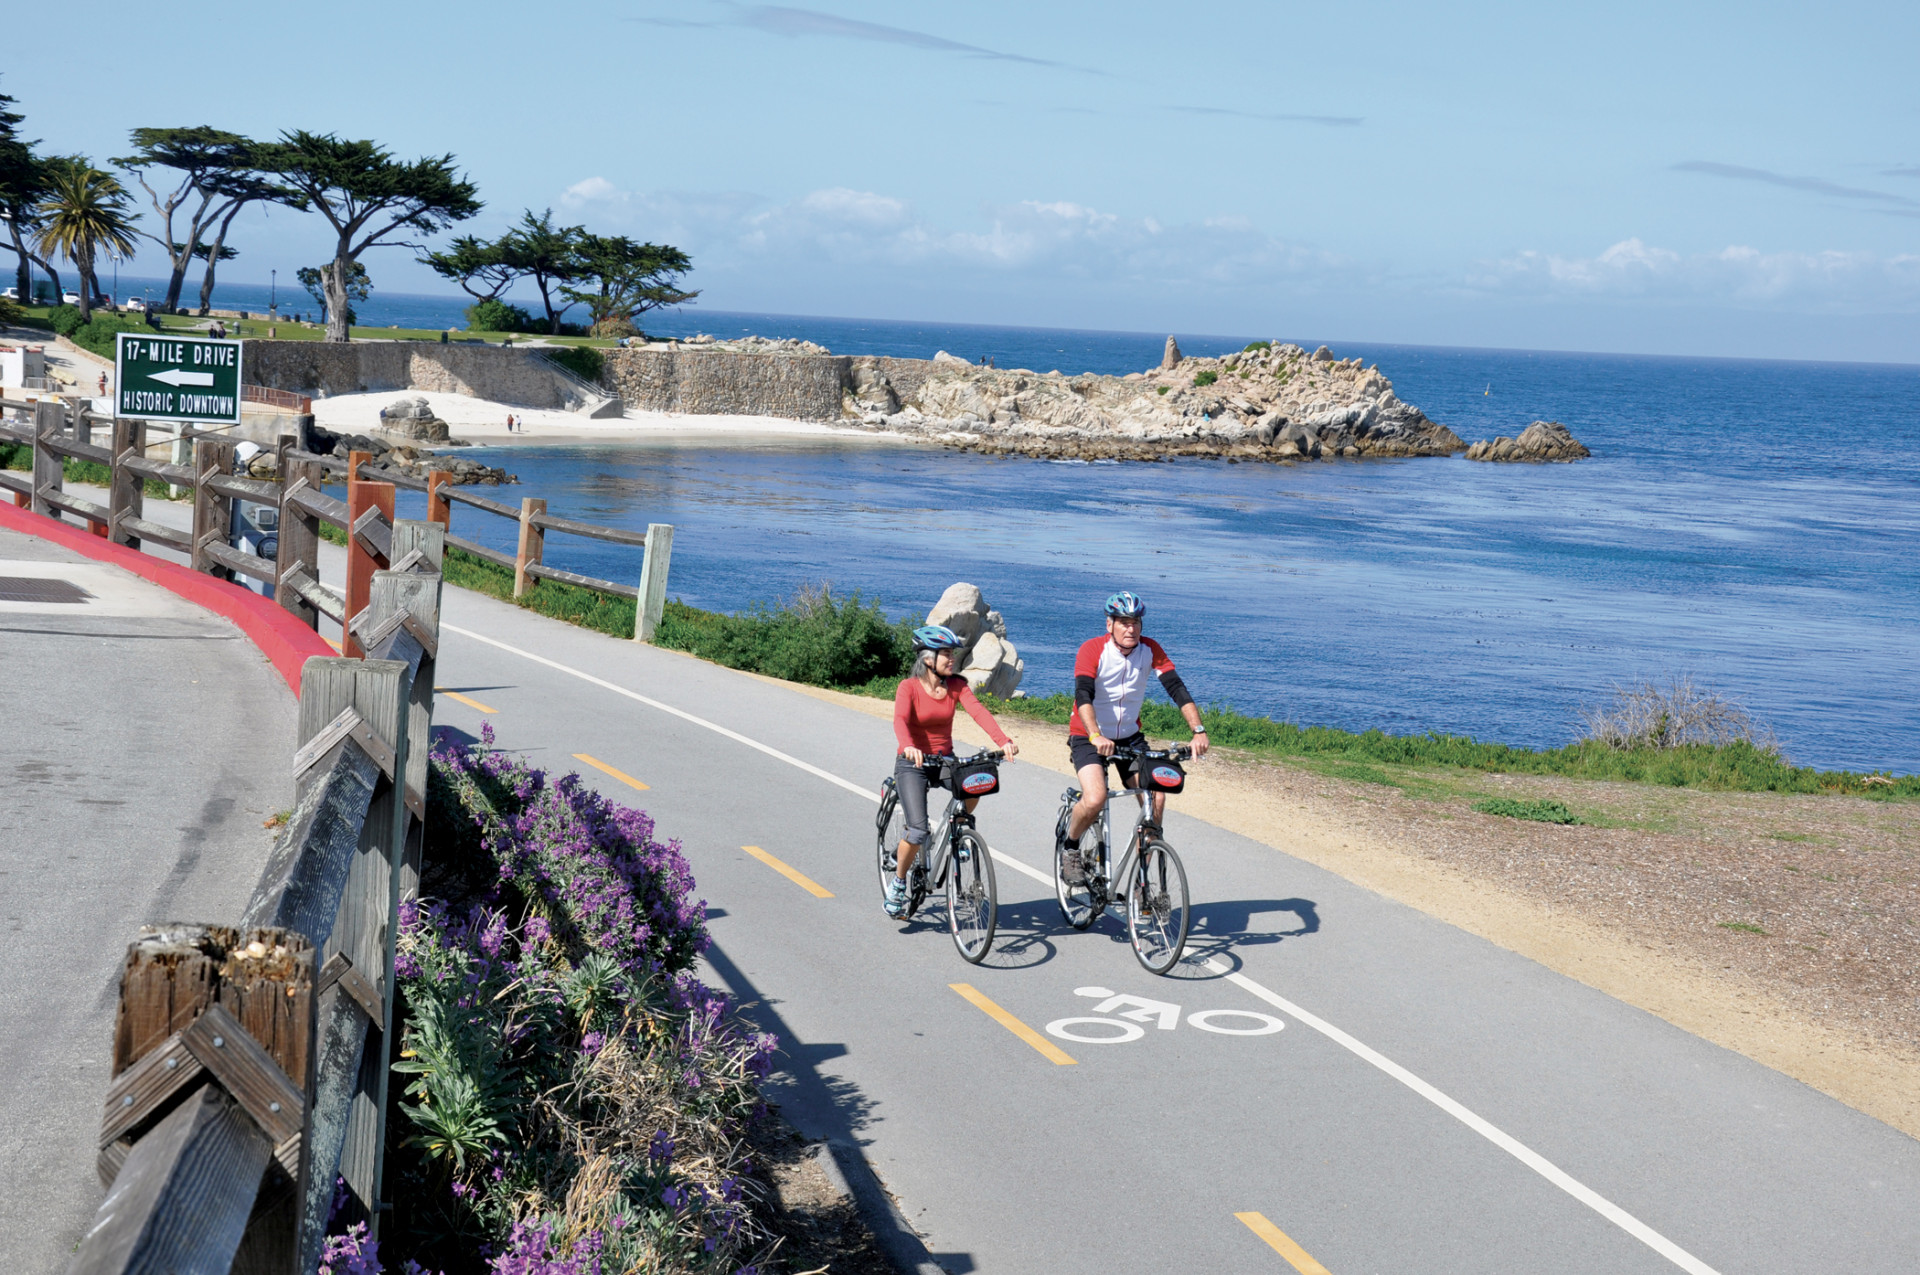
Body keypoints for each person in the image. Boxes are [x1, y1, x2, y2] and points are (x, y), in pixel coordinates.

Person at [1060, 591, 1208, 883]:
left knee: (1156, 799)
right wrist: (1094, 735)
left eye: (1136, 622)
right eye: (1124, 623)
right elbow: (1083, 695)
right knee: (1095, 798)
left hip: (1129, 737)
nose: (1131, 629)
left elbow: (1176, 688)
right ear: (1110, 624)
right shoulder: (1092, 649)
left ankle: (1141, 883)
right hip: (1088, 735)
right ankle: (1071, 847)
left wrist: (1198, 731)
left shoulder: (1150, 649)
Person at [886, 624, 1019, 918]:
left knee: (976, 781)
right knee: (917, 830)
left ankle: (957, 829)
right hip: (913, 763)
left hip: (944, 760)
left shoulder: (956, 686)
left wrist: (1003, 741)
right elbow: (900, 720)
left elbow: (979, 712)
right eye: (946, 653)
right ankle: (898, 882)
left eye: (952, 653)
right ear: (927, 658)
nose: (952, 658)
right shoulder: (908, 687)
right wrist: (908, 746)